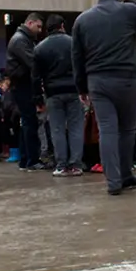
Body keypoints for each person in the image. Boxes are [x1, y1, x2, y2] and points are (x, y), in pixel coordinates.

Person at [73, 0, 136, 195]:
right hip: (125, 79)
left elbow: (77, 57)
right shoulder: (128, 11)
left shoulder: (83, 19)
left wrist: (82, 87)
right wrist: (132, 0)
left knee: (107, 130)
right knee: (127, 129)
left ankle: (113, 182)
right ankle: (126, 174)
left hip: (97, 81)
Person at [35, 15, 85, 177]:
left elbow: (35, 76)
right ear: (62, 26)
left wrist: (37, 99)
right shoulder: (73, 43)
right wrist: (84, 90)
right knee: (76, 128)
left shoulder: (40, 48)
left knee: (57, 129)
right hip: (74, 90)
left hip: (52, 92)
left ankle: (61, 165)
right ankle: (76, 164)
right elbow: (82, 66)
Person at [6, 13, 47, 171]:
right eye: (38, 26)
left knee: (27, 122)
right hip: (23, 84)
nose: (39, 30)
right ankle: (32, 160)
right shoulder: (21, 40)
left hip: (21, 84)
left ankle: (26, 159)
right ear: (30, 23)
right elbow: (32, 63)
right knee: (30, 122)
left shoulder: (21, 39)